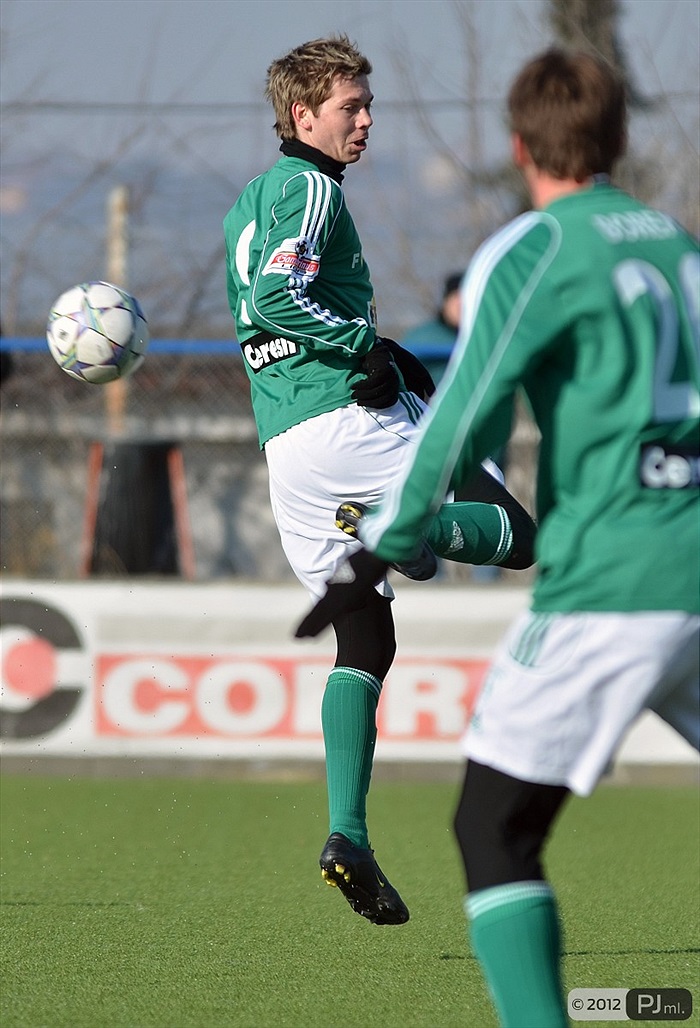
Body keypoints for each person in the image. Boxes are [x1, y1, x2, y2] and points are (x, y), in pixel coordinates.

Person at [295, 47, 699, 1024]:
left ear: (519, 145)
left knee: (492, 827)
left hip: (610, 581)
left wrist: (380, 548)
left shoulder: (535, 250)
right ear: (616, 138)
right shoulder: (681, 252)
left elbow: (462, 421)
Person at [223, 35, 536, 927]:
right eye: (349, 108)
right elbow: (283, 299)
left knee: (365, 641)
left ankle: (347, 834)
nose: (364, 121)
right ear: (302, 115)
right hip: (349, 429)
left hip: (289, 446)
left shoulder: (250, 199)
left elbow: (261, 314)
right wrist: (367, 349)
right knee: (517, 534)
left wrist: (362, 346)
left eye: (366, 106)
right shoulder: (312, 187)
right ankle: (397, 527)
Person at [400, 270, 464, 387]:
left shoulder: (483, 337)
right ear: (446, 302)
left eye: (467, 298)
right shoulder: (424, 336)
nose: (461, 305)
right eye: (456, 297)